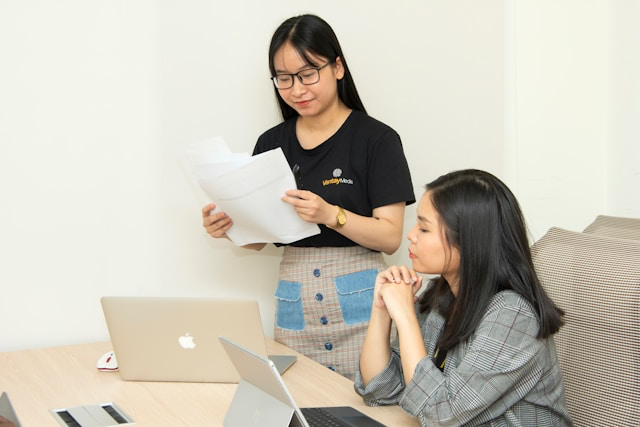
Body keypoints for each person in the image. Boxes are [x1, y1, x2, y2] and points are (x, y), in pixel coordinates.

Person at [201, 14, 414, 380]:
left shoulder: (377, 140)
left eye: (308, 73)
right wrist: (229, 227)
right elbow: (262, 240)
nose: (297, 88)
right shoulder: (271, 143)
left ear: (338, 67)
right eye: (284, 78)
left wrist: (332, 214)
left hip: (362, 304)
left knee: (370, 404)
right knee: (300, 405)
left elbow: (391, 236)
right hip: (295, 303)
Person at [356, 169, 572, 426]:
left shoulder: (513, 315)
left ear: (468, 242)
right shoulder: (441, 296)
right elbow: (381, 390)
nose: (410, 234)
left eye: (424, 228)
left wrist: (404, 317)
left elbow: (441, 415)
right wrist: (382, 309)